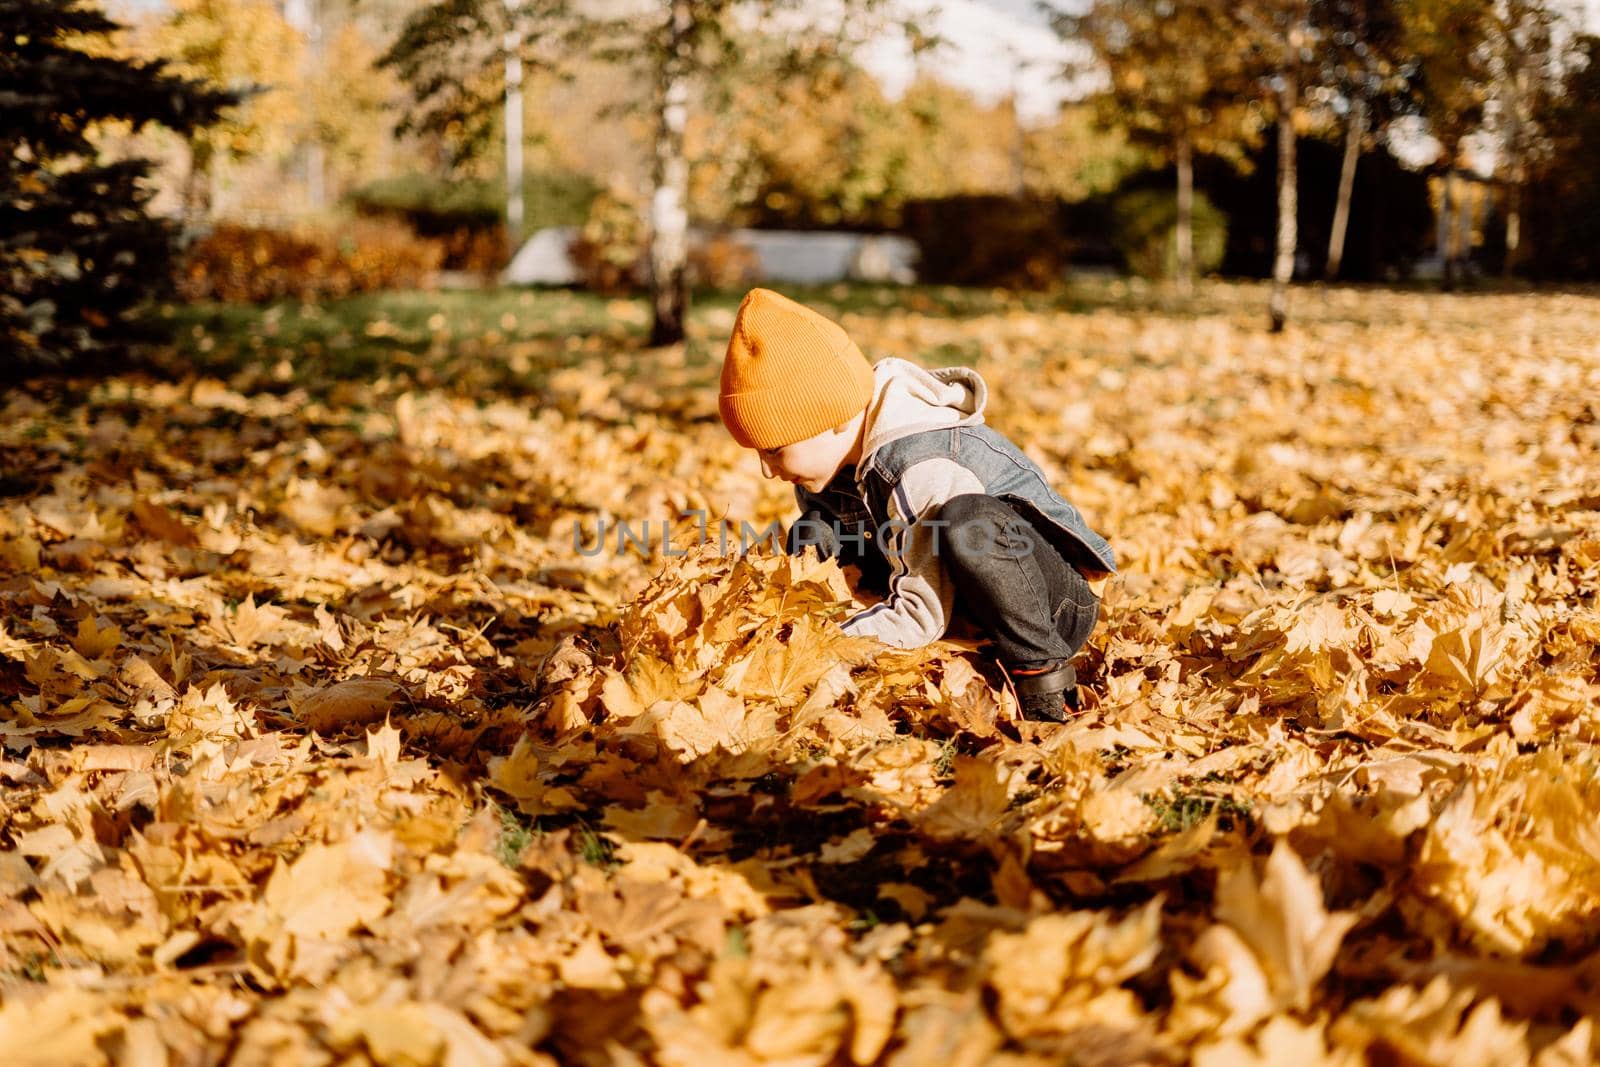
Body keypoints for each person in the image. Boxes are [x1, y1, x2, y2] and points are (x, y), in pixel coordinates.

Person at [717, 287, 1117, 723]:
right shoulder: (828, 468)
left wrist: (812, 646)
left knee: (971, 524)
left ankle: (1041, 679)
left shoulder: (919, 464)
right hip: (951, 593)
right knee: (815, 530)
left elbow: (919, 615)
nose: (767, 471)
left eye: (774, 450)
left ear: (829, 419)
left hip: (1049, 606)